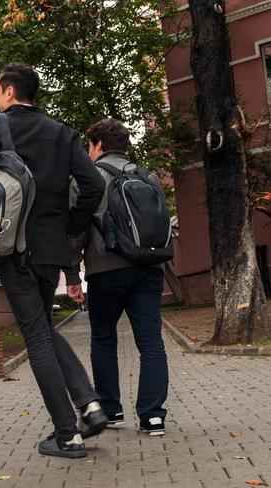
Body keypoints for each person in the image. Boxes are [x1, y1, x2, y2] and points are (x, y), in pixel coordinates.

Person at [0, 63, 107, 458]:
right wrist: (68, 227)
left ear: (9, 92)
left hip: (16, 248)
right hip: (51, 248)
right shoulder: (63, 133)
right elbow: (93, 185)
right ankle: (89, 405)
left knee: (36, 338)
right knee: (43, 326)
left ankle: (67, 434)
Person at [65, 118, 169, 436]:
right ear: (125, 146)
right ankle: (152, 416)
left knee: (104, 340)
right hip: (149, 268)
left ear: (97, 145)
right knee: (151, 342)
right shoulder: (148, 177)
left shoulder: (86, 179)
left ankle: (111, 410)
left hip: (105, 268)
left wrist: (71, 274)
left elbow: (76, 229)